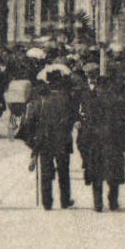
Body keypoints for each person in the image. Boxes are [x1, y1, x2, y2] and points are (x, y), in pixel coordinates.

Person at [22, 71, 78, 210]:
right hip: (62, 140)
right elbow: (73, 118)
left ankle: (47, 202)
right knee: (63, 171)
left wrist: (33, 143)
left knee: (45, 172)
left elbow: (30, 122)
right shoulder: (66, 98)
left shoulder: (40, 100)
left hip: (44, 140)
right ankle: (65, 200)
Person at [79, 74, 125, 211]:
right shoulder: (118, 101)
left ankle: (98, 202)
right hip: (114, 141)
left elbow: (87, 124)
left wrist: (84, 143)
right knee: (113, 173)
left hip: (95, 141)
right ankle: (113, 201)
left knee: (97, 173)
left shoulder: (91, 102)